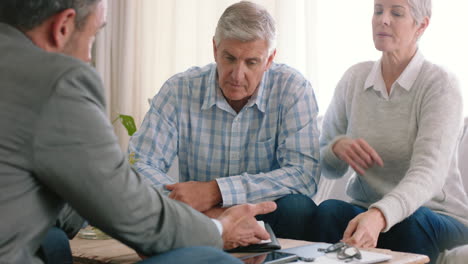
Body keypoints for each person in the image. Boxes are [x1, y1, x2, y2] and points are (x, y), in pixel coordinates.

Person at [0, 0, 278, 263]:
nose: (88, 57)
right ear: (63, 27)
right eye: (94, 36)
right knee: (209, 258)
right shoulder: (57, 82)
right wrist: (218, 228)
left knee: (53, 241)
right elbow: (131, 209)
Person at [128, 1, 321, 241]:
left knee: (298, 208)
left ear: (269, 59)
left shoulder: (293, 89)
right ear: (214, 49)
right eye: (229, 58)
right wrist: (205, 211)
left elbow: (304, 175)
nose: (237, 75)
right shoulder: (179, 89)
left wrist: (215, 191)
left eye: (251, 62)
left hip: (266, 220)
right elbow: (139, 164)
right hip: (198, 218)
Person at [310, 0, 468, 263]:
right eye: (378, 10)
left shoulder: (440, 84)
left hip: (436, 215)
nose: (383, 19)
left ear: (421, 25)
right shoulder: (354, 78)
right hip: (366, 209)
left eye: (396, 13)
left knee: (410, 224)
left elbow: (428, 174)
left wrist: (380, 215)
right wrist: (337, 148)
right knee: (327, 212)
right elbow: (328, 166)